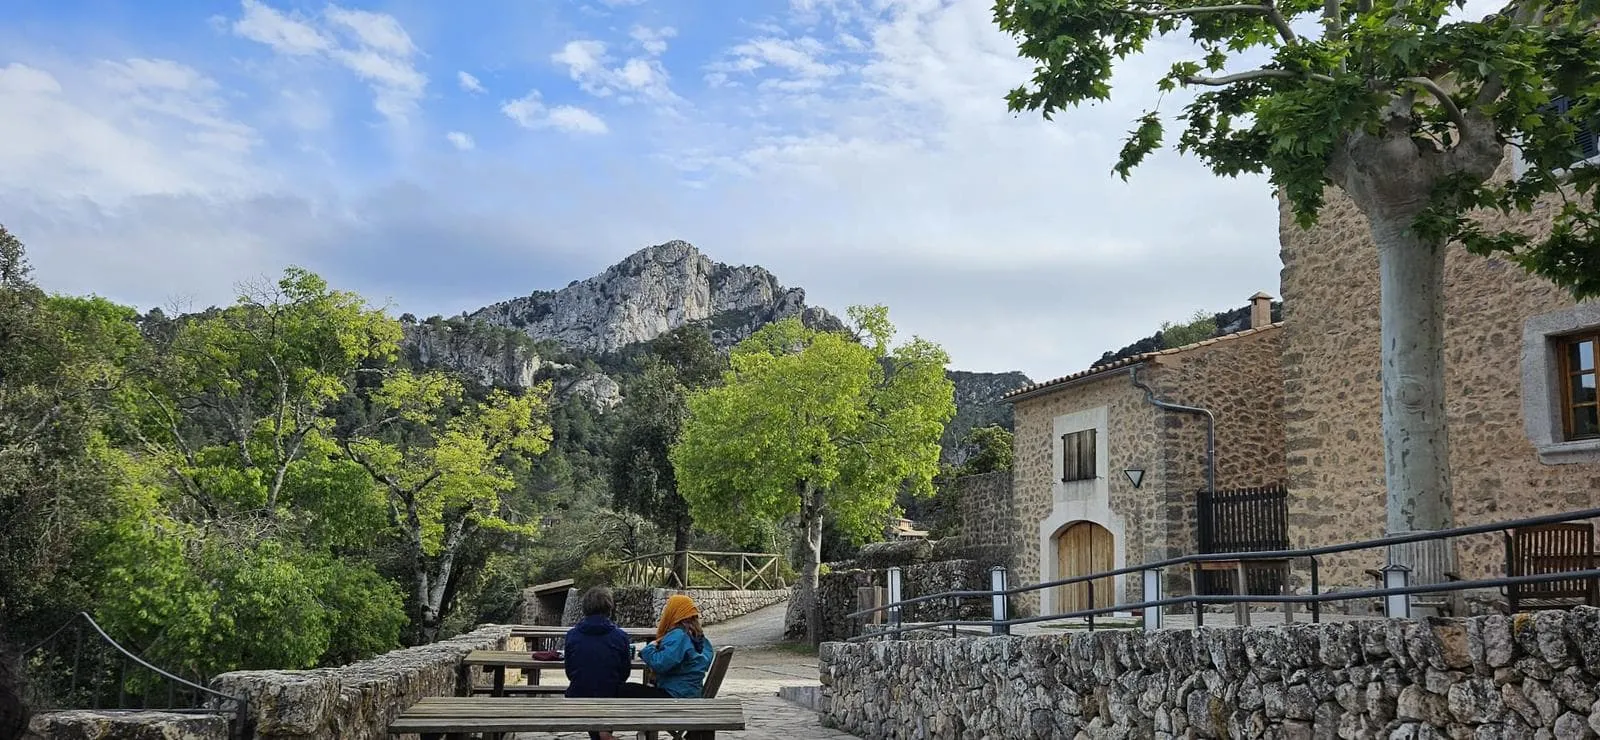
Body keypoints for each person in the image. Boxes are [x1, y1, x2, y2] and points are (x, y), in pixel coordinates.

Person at [563, 587, 632, 740]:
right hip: (610, 695)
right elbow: (625, 672)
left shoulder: (572, 635)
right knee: (620, 690)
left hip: (578, 694)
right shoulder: (620, 636)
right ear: (609, 608)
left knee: (590, 688)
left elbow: (569, 672)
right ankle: (604, 733)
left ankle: (601, 734)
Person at [618, 594, 714, 700]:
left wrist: (649, 649)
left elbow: (660, 664)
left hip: (675, 695)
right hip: (691, 692)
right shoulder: (700, 638)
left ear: (673, 612)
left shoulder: (679, 635)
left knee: (623, 689)